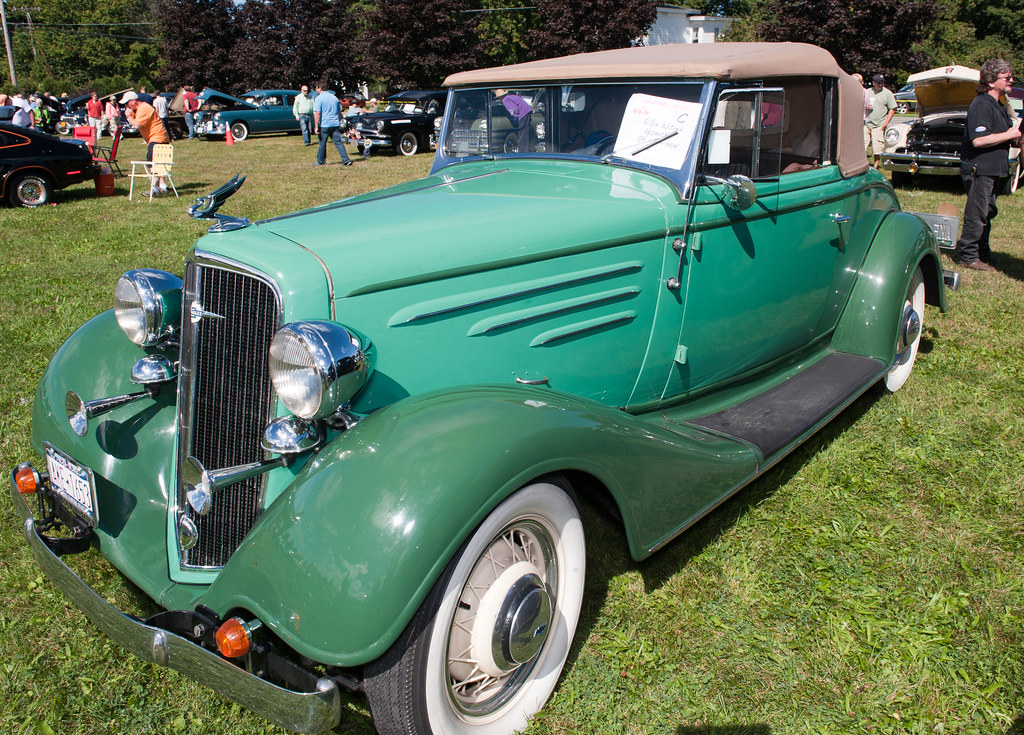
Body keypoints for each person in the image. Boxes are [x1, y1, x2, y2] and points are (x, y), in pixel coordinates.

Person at [955, 59, 1022, 271]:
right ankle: (968, 256)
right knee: (977, 213)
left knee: (987, 212)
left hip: (993, 169)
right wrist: (1010, 134)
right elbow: (979, 140)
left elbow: (998, 135)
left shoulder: (998, 105)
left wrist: (1013, 138)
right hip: (979, 168)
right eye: (1007, 77)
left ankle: (983, 253)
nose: (1011, 80)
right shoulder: (982, 104)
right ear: (991, 81)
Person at [121, 91, 171, 195]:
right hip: (159, 138)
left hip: (157, 138)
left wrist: (129, 116)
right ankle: (162, 186)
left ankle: (154, 188)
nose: (126, 106)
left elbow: (137, 126)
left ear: (133, 101)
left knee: (152, 164)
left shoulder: (143, 108)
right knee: (159, 164)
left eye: (127, 103)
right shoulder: (141, 108)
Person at [312, 80, 352, 167]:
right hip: (335, 124)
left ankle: (321, 161)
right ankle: (346, 160)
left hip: (324, 125)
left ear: (320, 88)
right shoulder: (334, 98)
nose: (316, 90)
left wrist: (315, 126)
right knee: (338, 143)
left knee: (322, 144)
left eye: (316, 88)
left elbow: (317, 113)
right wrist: (341, 122)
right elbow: (339, 112)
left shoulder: (319, 98)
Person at [863, 74, 896, 168]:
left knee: (877, 148)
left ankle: (875, 166)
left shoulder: (888, 93)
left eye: (882, 83)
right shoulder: (867, 92)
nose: (880, 85)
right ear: (873, 83)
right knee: (862, 145)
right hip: (867, 123)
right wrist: (866, 107)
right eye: (878, 83)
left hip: (879, 124)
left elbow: (892, 109)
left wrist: (884, 124)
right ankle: (863, 164)